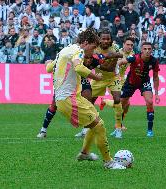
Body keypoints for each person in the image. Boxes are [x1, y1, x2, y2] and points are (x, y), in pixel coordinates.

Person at [52, 28, 125, 169]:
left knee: (94, 120)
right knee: (99, 125)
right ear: (86, 43)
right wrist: (95, 76)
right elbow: (79, 68)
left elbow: (50, 67)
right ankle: (108, 162)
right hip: (68, 99)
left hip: (68, 97)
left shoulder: (66, 50)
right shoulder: (78, 51)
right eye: (93, 47)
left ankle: (84, 153)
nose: (93, 51)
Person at [37, 54, 103, 138]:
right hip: (68, 82)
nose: (89, 60)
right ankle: (43, 130)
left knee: (88, 102)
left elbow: (103, 66)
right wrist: (49, 62)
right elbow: (51, 64)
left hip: (82, 80)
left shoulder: (94, 58)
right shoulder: (73, 55)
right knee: (54, 105)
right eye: (87, 57)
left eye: (90, 58)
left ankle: (86, 130)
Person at [81, 28, 124, 139]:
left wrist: (106, 58)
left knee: (118, 99)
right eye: (103, 39)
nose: (105, 41)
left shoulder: (115, 47)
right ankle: (86, 127)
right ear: (99, 39)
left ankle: (118, 128)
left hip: (112, 78)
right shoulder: (94, 49)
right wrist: (105, 58)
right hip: (98, 78)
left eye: (108, 39)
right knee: (89, 102)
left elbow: (111, 68)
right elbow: (93, 63)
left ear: (111, 40)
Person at [118, 42, 160, 137]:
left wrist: (156, 94)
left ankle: (150, 130)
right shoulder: (134, 57)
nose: (147, 51)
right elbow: (121, 62)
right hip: (130, 83)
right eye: (145, 49)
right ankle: (118, 127)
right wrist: (116, 69)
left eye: (149, 49)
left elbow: (156, 77)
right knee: (122, 104)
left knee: (149, 102)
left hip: (144, 82)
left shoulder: (154, 61)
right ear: (141, 50)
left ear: (152, 50)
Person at [99, 37, 135, 133]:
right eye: (128, 44)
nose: (130, 47)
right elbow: (117, 63)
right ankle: (118, 125)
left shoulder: (132, 54)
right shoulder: (117, 53)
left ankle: (105, 101)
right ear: (123, 44)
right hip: (114, 79)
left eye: (131, 45)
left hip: (123, 80)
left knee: (127, 104)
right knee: (119, 103)